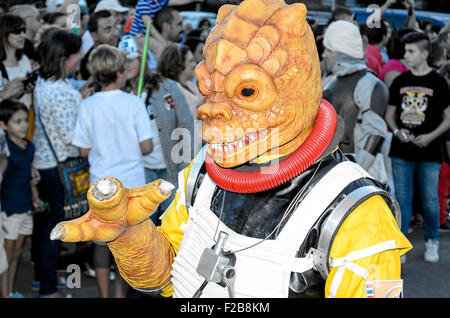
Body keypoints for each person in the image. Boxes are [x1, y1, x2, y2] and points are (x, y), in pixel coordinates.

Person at [52, 0, 411, 299]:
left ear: (296, 89)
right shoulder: (200, 177)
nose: (208, 109)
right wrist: (130, 235)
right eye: (208, 88)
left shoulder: (357, 216)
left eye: (247, 92)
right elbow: (165, 277)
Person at [72, 44, 154, 297]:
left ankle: (104, 294)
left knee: (101, 242)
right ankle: (121, 294)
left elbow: (82, 151)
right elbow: (147, 147)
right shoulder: (134, 103)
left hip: (102, 185)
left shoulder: (88, 105)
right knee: (127, 245)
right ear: (120, 72)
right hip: (132, 185)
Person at [385, 32, 450, 263]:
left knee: (430, 198)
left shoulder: (438, 82)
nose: (406, 55)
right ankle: (401, 245)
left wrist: (430, 136)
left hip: (430, 150)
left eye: (411, 51)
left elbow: (448, 117)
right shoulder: (400, 82)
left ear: (424, 53)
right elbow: (389, 114)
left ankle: (432, 241)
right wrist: (396, 130)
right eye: (405, 51)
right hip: (402, 150)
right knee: (402, 198)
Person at [119, 35, 194, 225]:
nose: (127, 66)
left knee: (172, 222)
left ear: (142, 60)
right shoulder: (119, 93)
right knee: (144, 226)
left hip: (170, 168)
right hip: (139, 171)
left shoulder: (166, 86)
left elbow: (185, 123)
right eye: (123, 61)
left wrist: (183, 164)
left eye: (132, 60)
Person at [32, 28, 83, 298]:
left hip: (43, 164)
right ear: (64, 59)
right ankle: (49, 289)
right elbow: (69, 137)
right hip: (58, 168)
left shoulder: (42, 83)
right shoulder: (60, 92)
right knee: (54, 230)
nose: (79, 60)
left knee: (42, 229)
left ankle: (43, 280)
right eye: (76, 56)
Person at [322, 21, 389, 184]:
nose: (324, 55)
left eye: (328, 50)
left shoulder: (371, 84)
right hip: (328, 170)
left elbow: (375, 136)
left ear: (341, 52)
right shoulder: (328, 81)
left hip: (361, 174)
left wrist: (357, 173)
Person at [0, 99, 42, 298]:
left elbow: (30, 176)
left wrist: (35, 196)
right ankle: (4, 292)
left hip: (25, 206)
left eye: (25, 120)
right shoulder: (5, 150)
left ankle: (10, 291)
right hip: (9, 209)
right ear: (4, 125)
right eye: (17, 121)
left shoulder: (29, 147)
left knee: (17, 251)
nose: (24, 125)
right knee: (7, 254)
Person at [0, 14, 34, 111]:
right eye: (17, 31)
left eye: (24, 31)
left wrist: (30, 89)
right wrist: (7, 93)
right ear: (4, 33)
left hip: (27, 115)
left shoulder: (25, 60)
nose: (22, 35)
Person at [158, 44, 201, 120]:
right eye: (190, 61)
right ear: (179, 64)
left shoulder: (191, 84)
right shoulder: (168, 91)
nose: (194, 64)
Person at [79, 10, 120, 80]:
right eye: (108, 30)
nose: (115, 33)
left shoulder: (123, 46)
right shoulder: (87, 63)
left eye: (115, 27)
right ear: (94, 35)